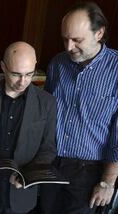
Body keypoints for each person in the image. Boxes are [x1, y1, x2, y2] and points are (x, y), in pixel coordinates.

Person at [41, 2, 118, 213]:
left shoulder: (116, 70)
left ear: (99, 33)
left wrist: (107, 182)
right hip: (52, 162)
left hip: (90, 172)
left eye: (77, 40)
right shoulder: (57, 63)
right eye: (65, 39)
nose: (68, 47)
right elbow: (45, 114)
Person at [0, 41, 57, 214]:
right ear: (3, 67)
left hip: (20, 192)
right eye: (16, 74)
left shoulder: (47, 103)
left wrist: (28, 176)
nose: (23, 82)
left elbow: (48, 149)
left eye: (29, 74)